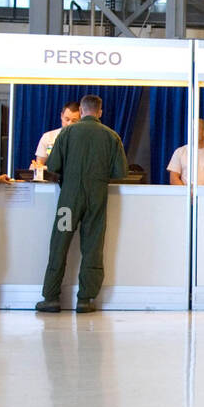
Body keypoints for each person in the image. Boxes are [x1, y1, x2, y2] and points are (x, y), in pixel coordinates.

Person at [35, 94, 129, 314]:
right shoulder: (111, 136)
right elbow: (120, 172)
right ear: (100, 111)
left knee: (60, 245)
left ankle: (51, 298)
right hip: (96, 199)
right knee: (93, 247)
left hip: (69, 199)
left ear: (82, 110)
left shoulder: (66, 133)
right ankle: (85, 299)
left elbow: (54, 165)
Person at [167, 119, 204, 185]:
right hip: (186, 194)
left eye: (195, 130)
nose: (192, 133)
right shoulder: (179, 152)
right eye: (191, 130)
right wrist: (186, 192)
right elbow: (174, 177)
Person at [33, 102, 81, 168]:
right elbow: (39, 164)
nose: (69, 124)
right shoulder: (48, 137)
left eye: (74, 121)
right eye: (67, 119)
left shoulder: (83, 140)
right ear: (61, 116)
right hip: (51, 176)